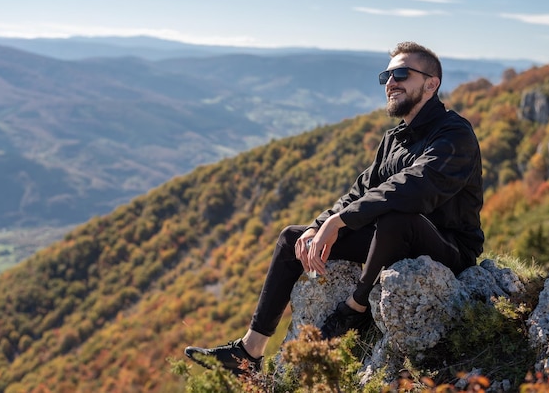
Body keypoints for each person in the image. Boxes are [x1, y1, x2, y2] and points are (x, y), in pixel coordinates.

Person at [184, 41, 484, 376]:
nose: (390, 82)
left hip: (448, 249)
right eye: (386, 75)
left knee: (399, 215)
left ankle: (354, 308)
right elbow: (361, 189)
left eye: (401, 73)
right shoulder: (395, 139)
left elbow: (415, 188)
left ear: (432, 83)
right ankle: (249, 353)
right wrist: (321, 223)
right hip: (392, 239)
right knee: (292, 239)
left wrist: (342, 221)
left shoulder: (454, 134)